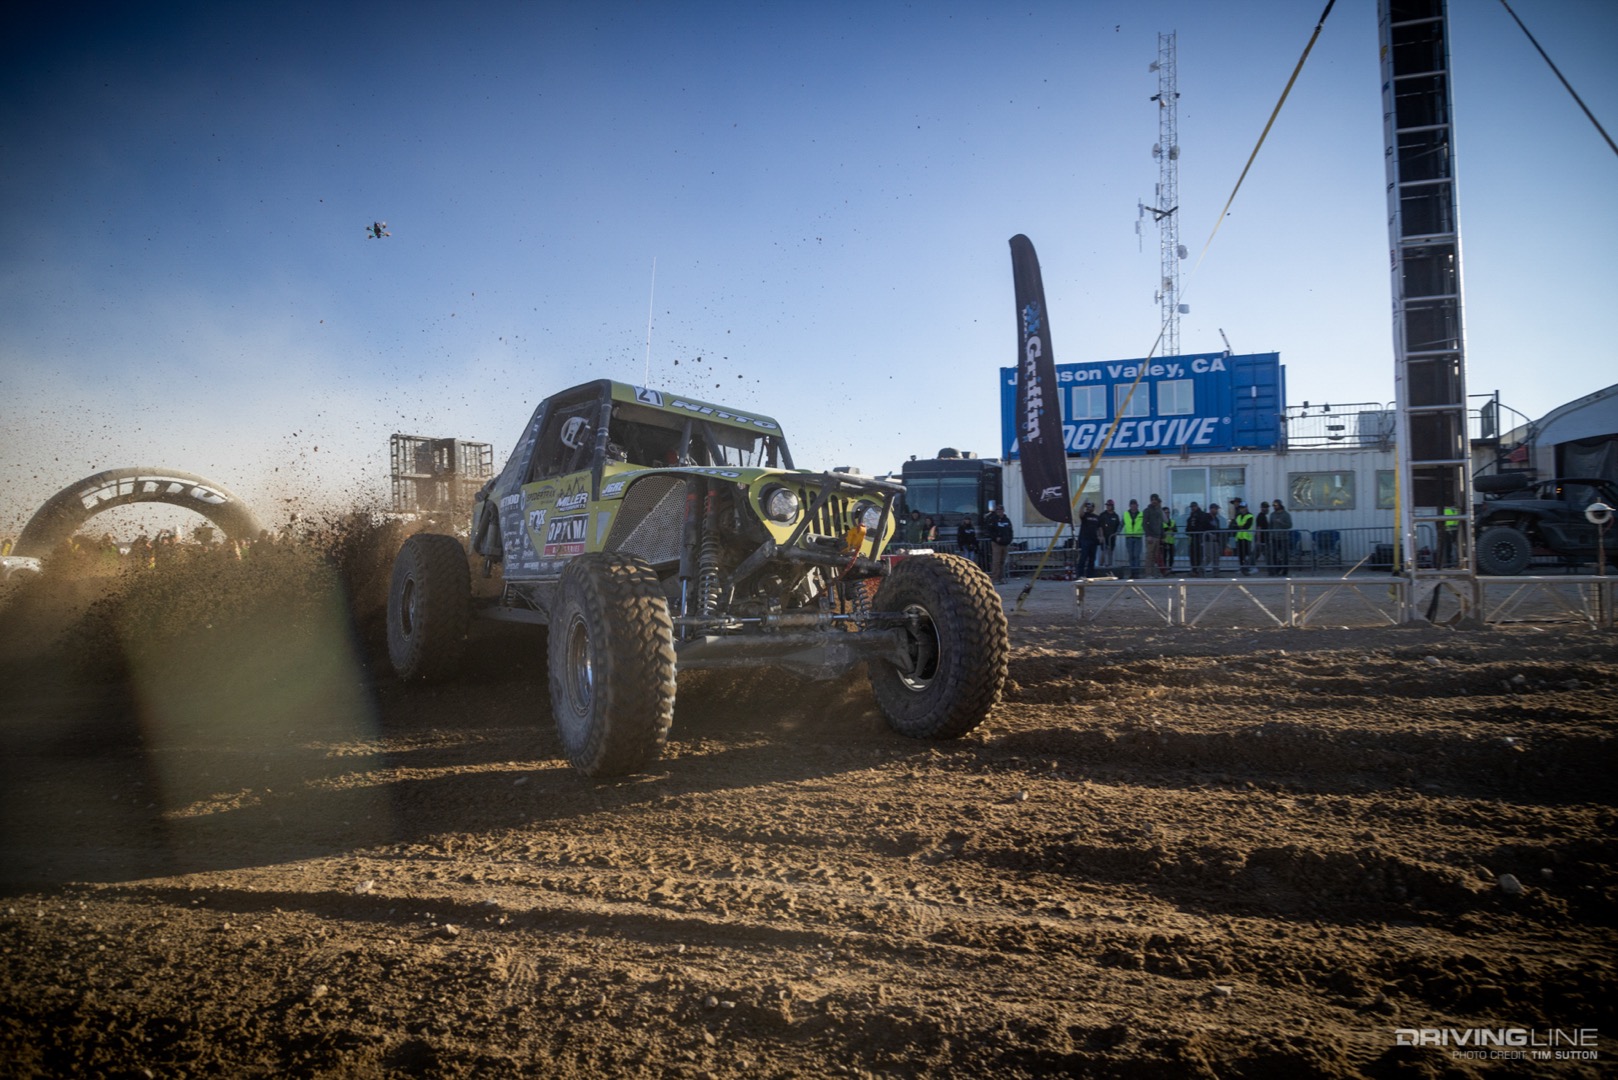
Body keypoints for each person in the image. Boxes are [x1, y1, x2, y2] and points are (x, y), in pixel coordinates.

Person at [987, 506, 1014, 583]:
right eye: (997, 510)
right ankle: (995, 578)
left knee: (1002, 561)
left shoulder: (1007, 520)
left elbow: (1010, 531)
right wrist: (995, 538)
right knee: (996, 561)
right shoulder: (992, 519)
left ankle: (1001, 577)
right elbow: (989, 531)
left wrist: (1009, 539)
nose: (999, 511)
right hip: (996, 543)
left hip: (1005, 543)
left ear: (1003, 510)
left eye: (1000, 510)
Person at [1120, 498, 1145, 579]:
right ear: (1130, 506)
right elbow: (1121, 524)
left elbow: (1145, 525)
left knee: (1136, 555)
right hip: (1129, 537)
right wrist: (1117, 531)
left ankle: (1136, 573)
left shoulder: (1141, 514)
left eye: (1135, 505)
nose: (1133, 506)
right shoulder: (1126, 514)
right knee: (1131, 556)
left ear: (1137, 506)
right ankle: (1132, 573)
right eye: (1132, 505)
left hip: (1138, 537)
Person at [1076, 501, 1101, 579]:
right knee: (1083, 557)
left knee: (1092, 558)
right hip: (1085, 539)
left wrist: (1101, 536)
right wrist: (1083, 504)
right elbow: (1080, 513)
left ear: (1093, 508)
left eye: (1090, 507)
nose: (1089, 508)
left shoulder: (1097, 517)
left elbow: (1099, 528)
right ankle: (1080, 575)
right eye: (1088, 507)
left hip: (1094, 540)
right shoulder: (1085, 516)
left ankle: (1090, 575)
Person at [1142, 494, 1165, 578]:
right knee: (1149, 556)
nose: (1154, 501)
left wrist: (1162, 536)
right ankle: (1148, 573)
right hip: (1151, 537)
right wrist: (1148, 535)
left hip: (1158, 536)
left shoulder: (1159, 510)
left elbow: (1162, 523)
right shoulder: (1147, 511)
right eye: (1152, 500)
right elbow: (1144, 524)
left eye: (1156, 500)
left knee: (1156, 556)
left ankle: (1155, 573)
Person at [1268, 499, 1293, 576]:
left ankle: (1285, 571)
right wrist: (1270, 536)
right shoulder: (1272, 515)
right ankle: (1276, 570)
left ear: (1280, 505)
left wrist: (1281, 522)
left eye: (1276, 505)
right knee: (1274, 555)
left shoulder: (1286, 515)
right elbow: (1270, 526)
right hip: (1274, 538)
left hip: (1283, 538)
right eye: (1273, 505)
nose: (1274, 507)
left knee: (1284, 555)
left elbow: (1289, 525)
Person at [1183, 501, 1208, 576]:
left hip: (1198, 538)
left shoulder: (1201, 515)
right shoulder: (1191, 516)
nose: (1193, 508)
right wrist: (1188, 531)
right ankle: (1194, 570)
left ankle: (1198, 570)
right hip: (1193, 538)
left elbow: (1201, 526)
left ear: (1197, 506)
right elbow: (1189, 527)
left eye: (1194, 507)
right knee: (1193, 554)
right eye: (1192, 507)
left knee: (1198, 554)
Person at [1232, 499, 1255, 575]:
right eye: (1241, 508)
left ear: (1246, 507)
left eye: (1243, 507)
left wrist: (1239, 526)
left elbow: (1247, 526)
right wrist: (1240, 527)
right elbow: (1234, 525)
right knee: (1241, 554)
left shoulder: (1250, 516)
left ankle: (1248, 568)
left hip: (1247, 538)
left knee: (1247, 554)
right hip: (1239, 538)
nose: (1242, 509)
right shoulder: (1238, 516)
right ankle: (1242, 568)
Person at [1097, 499, 1121, 574]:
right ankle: (1100, 566)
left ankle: (1109, 567)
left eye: (1109, 505)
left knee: (1110, 552)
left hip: (1112, 537)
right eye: (1107, 505)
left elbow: (1118, 526)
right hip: (1104, 536)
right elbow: (1099, 526)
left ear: (1112, 506)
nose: (1108, 507)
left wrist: (1117, 533)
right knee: (1104, 551)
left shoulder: (1115, 516)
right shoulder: (1103, 515)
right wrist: (1101, 536)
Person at [1204, 502, 1224, 574]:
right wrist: (1209, 534)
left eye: (1217, 509)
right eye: (1215, 509)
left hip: (1215, 541)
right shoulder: (1206, 517)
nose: (1217, 510)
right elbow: (1203, 528)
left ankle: (1216, 572)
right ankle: (1200, 570)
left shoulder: (1217, 519)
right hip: (1208, 541)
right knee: (1208, 557)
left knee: (1216, 557)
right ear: (1211, 509)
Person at [1160, 505, 1177, 574]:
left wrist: (1172, 530)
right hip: (1164, 541)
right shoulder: (1161, 522)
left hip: (1171, 541)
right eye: (1166, 512)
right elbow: (1160, 530)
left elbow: (1175, 530)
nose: (1167, 514)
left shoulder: (1172, 521)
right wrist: (1168, 529)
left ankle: (1170, 569)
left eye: (1168, 512)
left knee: (1171, 556)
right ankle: (1164, 570)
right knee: (1164, 556)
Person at [1256, 502, 1272, 574]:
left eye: (1267, 507)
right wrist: (1259, 540)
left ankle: (1271, 570)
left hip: (1265, 539)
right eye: (1265, 507)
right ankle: (1247, 567)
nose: (1267, 509)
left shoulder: (1264, 516)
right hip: (1262, 539)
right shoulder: (1260, 516)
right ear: (1262, 508)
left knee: (1265, 554)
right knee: (1265, 554)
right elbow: (1258, 528)